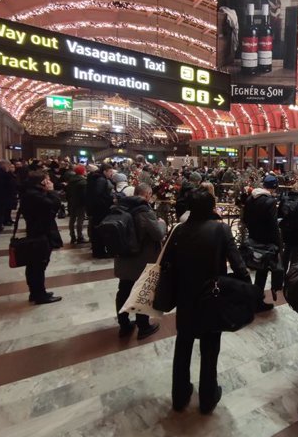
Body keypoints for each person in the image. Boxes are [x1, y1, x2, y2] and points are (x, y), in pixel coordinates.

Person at [166, 189, 251, 413]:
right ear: (211, 206)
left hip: (184, 297)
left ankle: (179, 395)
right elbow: (238, 264)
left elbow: (168, 264)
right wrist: (245, 287)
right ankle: (207, 397)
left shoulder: (178, 230)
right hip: (211, 297)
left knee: (183, 346)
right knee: (210, 349)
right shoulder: (221, 229)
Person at [113, 183, 165, 339]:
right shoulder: (144, 210)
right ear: (148, 194)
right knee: (143, 291)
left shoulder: (122, 206)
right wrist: (162, 224)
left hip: (123, 257)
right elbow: (157, 234)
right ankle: (143, 326)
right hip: (141, 259)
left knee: (123, 290)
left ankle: (124, 325)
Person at [20, 171, 63, 304]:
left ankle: (37, 292)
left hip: (38, 231)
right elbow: (53, 205)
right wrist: (51, 191)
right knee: (38, 265)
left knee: (36, 266)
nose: (50, 181)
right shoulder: (34, 195)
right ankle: (39, 295)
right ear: (42, 181)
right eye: (48, 179)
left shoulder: (31, 193)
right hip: (40, 233)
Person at [242, 175, 281, 312]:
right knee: (262, 271)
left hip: (252, 238)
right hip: (265, 242)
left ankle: (250, 297)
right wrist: (278, 244)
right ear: (275, 187)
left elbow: (245, 218)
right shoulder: (270, 202)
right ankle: (257, 302)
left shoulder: (250, 198)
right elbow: (273, 225)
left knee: (252, 266)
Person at [86, 163, 115, 258]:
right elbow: (99, 196)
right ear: (104, 171)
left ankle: (98, 250)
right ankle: (100, 252)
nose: (111, 173)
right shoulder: (101, 180)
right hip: (100, 210)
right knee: (99, 230)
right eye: (110, 171)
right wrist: (111, 200)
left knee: (97, 230)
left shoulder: (97, 178)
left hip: (96, 209)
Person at [65, 164, 88, 244]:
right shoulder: (83, 182)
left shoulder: (71, 180)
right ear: (82, 172)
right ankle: (80, 237)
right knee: (80, 220)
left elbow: (68, 192)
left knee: (72, 220)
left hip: (72, 202)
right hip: (80, 203)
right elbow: (85, 195)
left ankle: (72, 236)